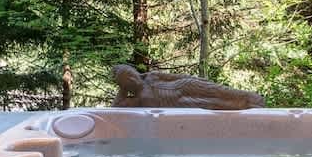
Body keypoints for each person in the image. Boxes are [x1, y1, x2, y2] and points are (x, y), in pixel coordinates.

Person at [112, 64, 264, 110]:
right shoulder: (138, 100)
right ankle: (248, 106)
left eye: (131, 73)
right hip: (180, 104)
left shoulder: (152, 76)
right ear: (125, 86)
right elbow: (116, 107)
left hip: (185, 85)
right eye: (128, 80)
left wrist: (195, 79)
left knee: (218, 90)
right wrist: (123, 88)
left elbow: (178, 77)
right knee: (214, 104)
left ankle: (252, 98)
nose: (133, 78)